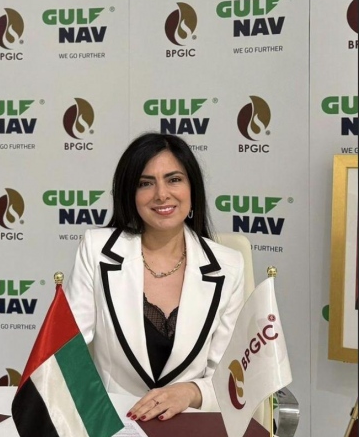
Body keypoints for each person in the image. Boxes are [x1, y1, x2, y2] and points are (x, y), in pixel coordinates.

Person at [66, 132, 245, 422]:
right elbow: (66, 353)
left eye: (174, 179)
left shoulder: (229, 266)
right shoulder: (96, 250)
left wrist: (190, 392)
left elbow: (230, 376)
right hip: (113, 424)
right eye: (145, 183)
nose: (162, 194)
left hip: (190, 425)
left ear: (192, 188)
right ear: (130, 194)